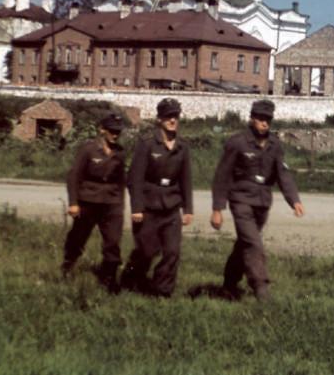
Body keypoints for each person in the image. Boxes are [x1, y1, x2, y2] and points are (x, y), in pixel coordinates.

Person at [211, 99, 304, 301]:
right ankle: (261, 288)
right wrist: (218, 208)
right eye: (261, 119)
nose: (265, 123)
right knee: (254, 244)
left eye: (268, 119)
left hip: (262, 203)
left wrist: (294, 200)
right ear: (252, 118)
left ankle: (229, 283)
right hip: (241, 200)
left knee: (245, 244)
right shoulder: (237, 143)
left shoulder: (275, 145)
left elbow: (283, 174)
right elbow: (222, 176)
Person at [120, 98, 193, 297]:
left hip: (171, 207)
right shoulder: (147, 144)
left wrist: (188, 209)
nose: (172, 120)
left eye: (175, 116)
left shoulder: (182, 146)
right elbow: (134, 178)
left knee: (172, 252)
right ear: (159, 119)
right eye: (168, 116)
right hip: (149, 206)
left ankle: (162, 292)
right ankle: (130, 279)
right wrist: (136, 207)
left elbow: (186, 179)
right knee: (147, 251)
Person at [61, 113, 127, 293]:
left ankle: (110, 281)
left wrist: (120, 204)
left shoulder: (120, 152)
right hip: (88, 202)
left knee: (113, 242)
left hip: (111, 203)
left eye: (118, 132)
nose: (115, 135)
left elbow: (121, 180)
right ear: (102, 130)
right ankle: (67, 268)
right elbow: (74, 176)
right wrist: (73, 202)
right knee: (78, 238)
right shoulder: (89, 149)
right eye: (112, 131)